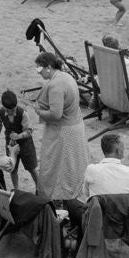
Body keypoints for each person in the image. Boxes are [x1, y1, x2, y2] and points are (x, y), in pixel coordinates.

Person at [33, 52, 89, 200]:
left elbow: (55, 114)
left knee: (57, 167)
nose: (39, 73)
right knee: (72, 166)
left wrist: (39, 111)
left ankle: (59, 198)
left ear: (49, 67)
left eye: (40, 69)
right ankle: (70, 195)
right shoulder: (67, 76)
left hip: (64, 132)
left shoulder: (55, 85)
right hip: (75, 127)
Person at [0, 90, 40, 192]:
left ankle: (39, 187)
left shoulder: (23, 114)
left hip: (25, 144)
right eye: (8, 110)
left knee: (31, 168)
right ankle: (16, 190)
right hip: (11, 144)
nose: (11, 112)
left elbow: (29, 131)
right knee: (12, 168)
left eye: (13, 109)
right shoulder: (1, 113)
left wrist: (18, 136)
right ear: (4, 107)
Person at [82, 133, 129, 198]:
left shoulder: (91, 169)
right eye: (123, 147)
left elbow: (86, 193)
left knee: (72, 202)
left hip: (99, 207)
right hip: (123, 207)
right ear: (119, 151)